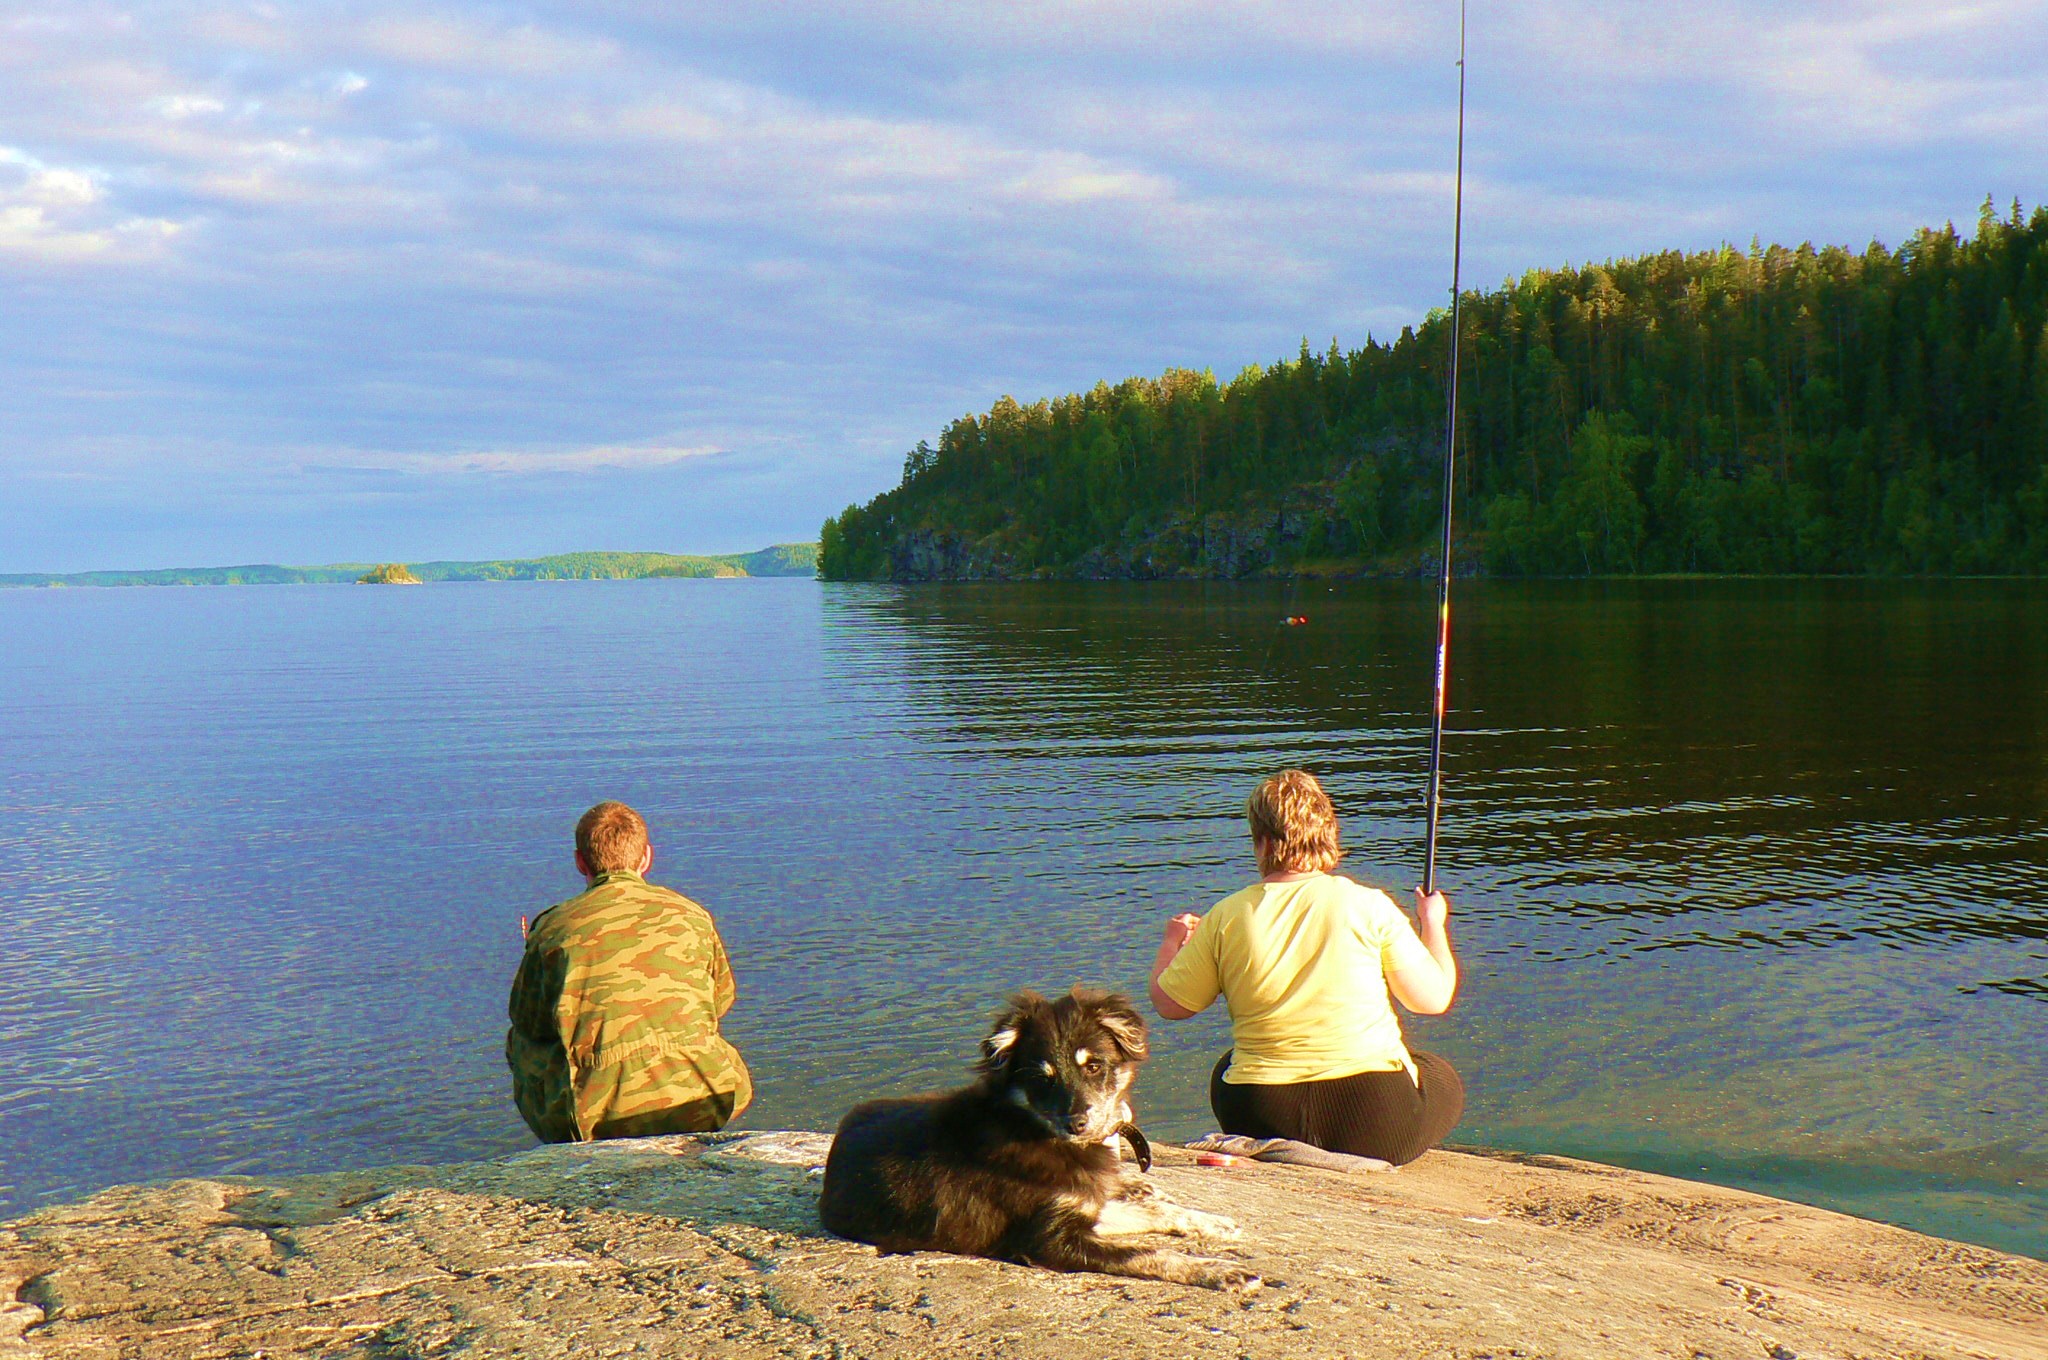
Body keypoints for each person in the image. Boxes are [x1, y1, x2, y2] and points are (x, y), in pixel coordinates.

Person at [1147, 769, 1463, 1165]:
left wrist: (1171, 941)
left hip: (1261, 1114)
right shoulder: (1368, 904)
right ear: (1329, 832)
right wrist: (1433, 922)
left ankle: (1278, 1151)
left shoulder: (1225, 915)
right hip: (1374, 1122)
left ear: (1261, 841)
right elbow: (1431, 1000)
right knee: (1439, 1075)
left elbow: (1171, 1005)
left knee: (1228, 1067)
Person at [506, 801, 752, 1142]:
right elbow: (720, 999)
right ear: (647, 857)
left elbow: (529, 1022)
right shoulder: (692, 915)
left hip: (598, 1119)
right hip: (705, 1098)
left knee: (520, 1040)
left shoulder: (555, 929)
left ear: (580, 862)